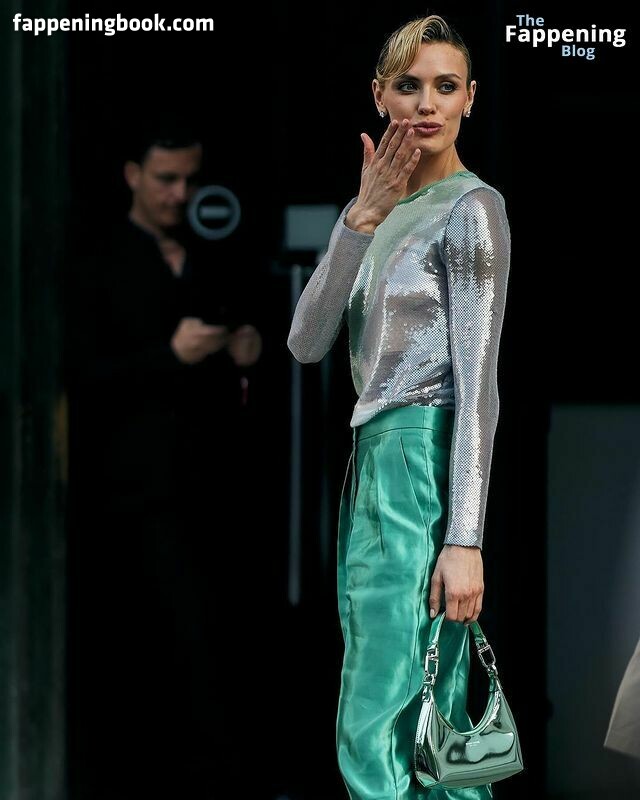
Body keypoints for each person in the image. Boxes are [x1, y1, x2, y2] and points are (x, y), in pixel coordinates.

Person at [287, 15, 511, 800]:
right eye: (409, 86)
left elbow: (478, 385)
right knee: (416, 712)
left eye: (446, 87)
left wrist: (465, 540)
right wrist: (358, 220)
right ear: (379, 95)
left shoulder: (471, 207)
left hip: (422, 461)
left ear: (470, 99)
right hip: (377, 461)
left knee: (383, 708)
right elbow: (306, 343)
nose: (427, 103)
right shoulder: (377, 215)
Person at [66, 123, 262, 798]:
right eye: (165, 180)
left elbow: (252, 334)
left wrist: (245, 349)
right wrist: (168, 357)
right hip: (131, 497)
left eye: (189, 180)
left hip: (216, 487)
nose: (179, 194)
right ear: (132, 176)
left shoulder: (212, 254)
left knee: (218, 649)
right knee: (151, 654)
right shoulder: (98, 261)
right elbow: (78, 376)